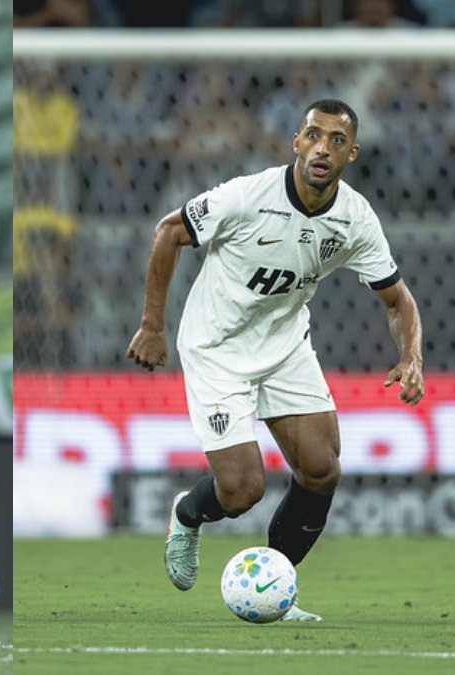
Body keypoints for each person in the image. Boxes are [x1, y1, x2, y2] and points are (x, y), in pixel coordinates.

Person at [125, 99, 424, 621]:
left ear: (351, 154)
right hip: (217, 349)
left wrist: (412, 354)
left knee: (321, 469)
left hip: (284, 348)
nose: (322, 148)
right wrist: (153, 325)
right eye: (314, 135)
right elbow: (169, 231)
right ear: (296, 142)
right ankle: (187, 512)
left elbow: (397, 298)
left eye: (336, 140)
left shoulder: (353, 217)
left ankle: (274, 588)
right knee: (242, 491)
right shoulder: (247, 196)